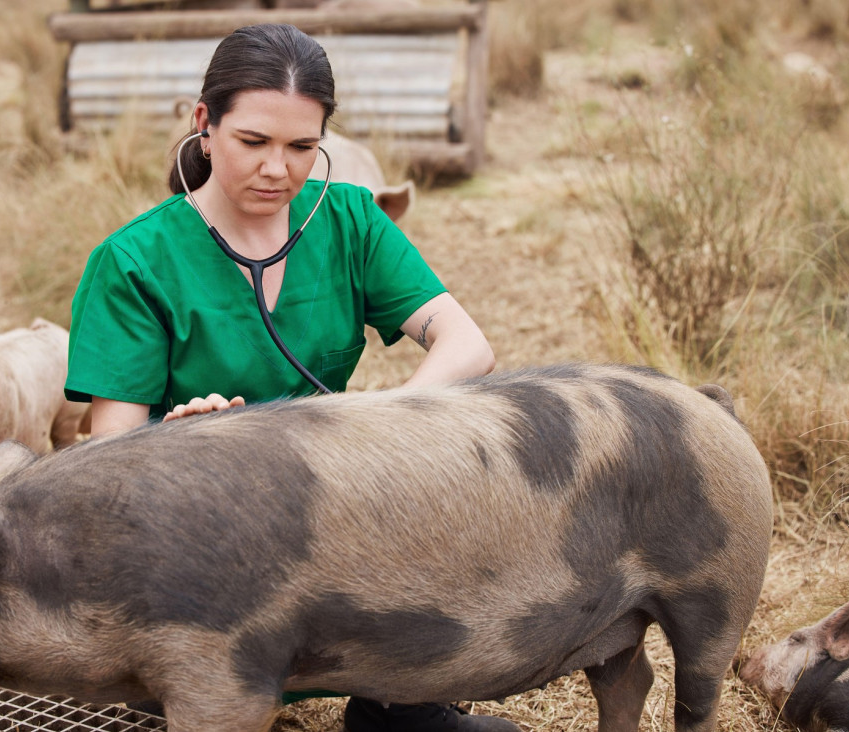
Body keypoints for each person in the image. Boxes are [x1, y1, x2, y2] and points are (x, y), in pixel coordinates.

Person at [65, 22, 517, 732]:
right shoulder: (131, 263)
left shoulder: (349, 222)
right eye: (253, 142)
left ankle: (397, 706)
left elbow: (466, 344)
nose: (278, 170)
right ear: (204, 126)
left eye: (302, 148)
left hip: (331, 501)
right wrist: (177, 448)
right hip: (195, 531)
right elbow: (108, 455)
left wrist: (374, 425)